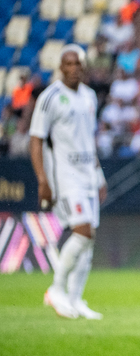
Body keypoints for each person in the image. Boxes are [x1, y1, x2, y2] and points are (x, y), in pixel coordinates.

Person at [29, 44, 106, 320]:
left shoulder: (89, 96)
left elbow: (89, 139)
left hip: (88, 175)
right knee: (83, 232)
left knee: (89, 239)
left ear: (84, 67)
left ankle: (75, 299)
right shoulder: (50, 97)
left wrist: (99, 175)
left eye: (78, 64)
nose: (73, 69)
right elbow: (36, 139)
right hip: (65, 177)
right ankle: (56, 289)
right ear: (60, 68)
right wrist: (42, 179)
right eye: (68, 64)